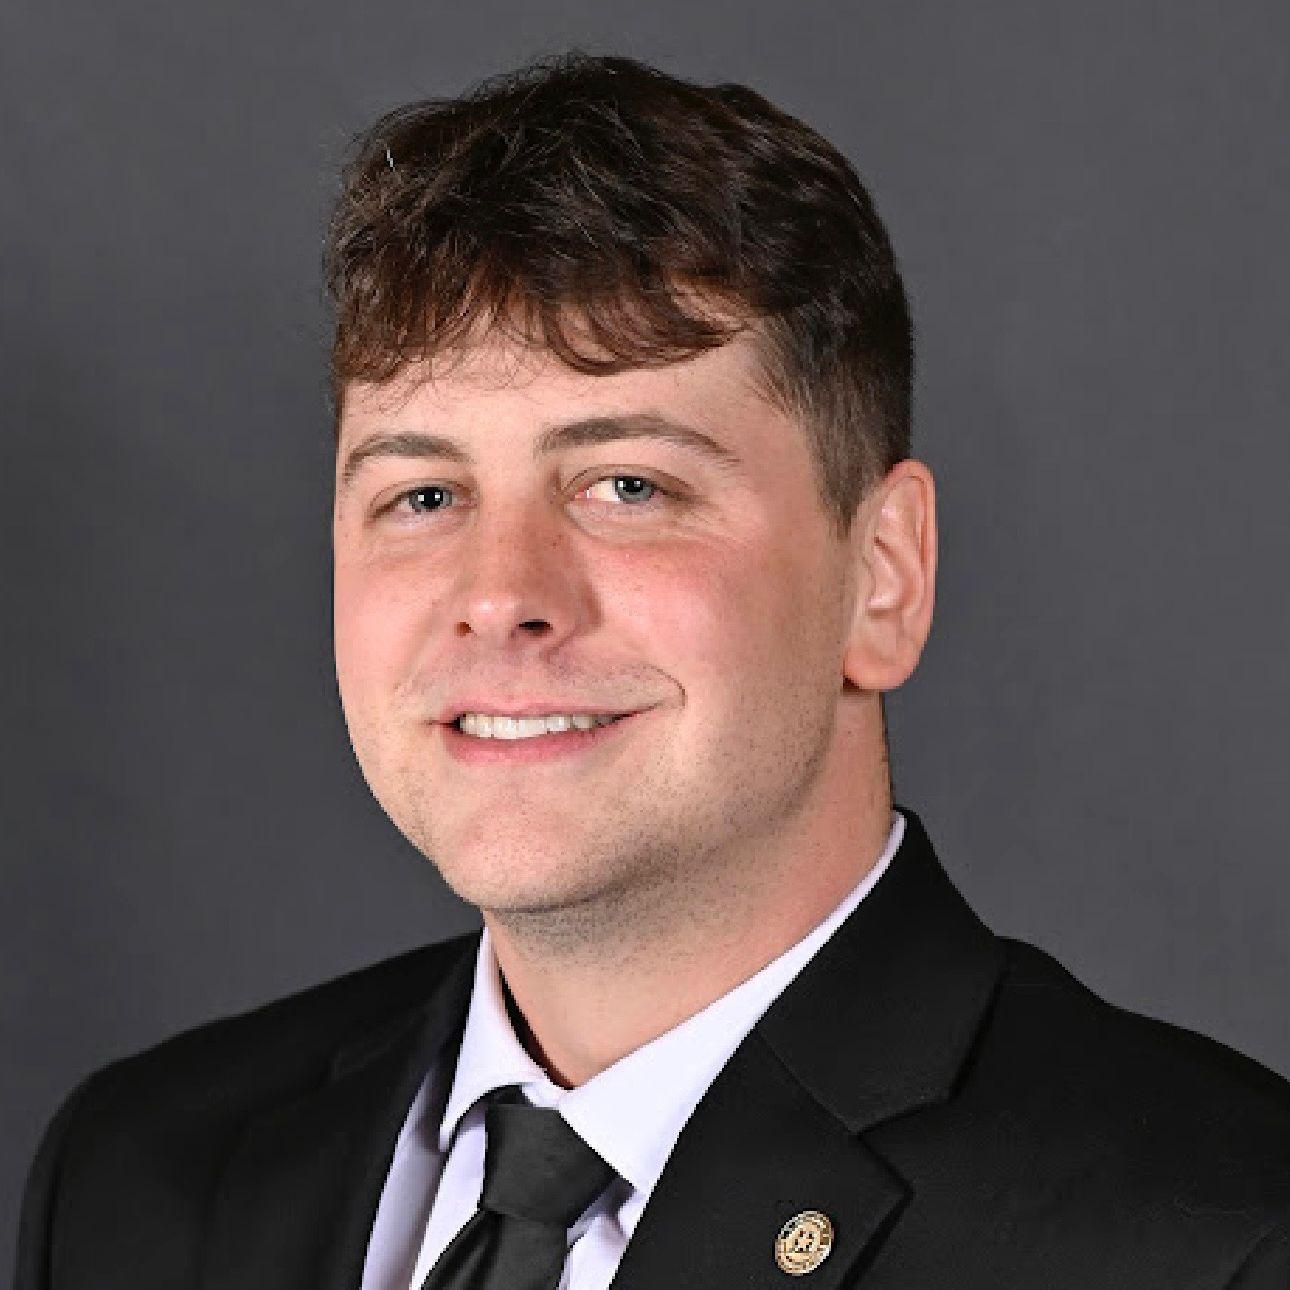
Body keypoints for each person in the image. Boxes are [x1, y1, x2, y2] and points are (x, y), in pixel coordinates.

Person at [14, 51, 1290, 1290]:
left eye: (628, 485)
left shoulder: (1216, 1239)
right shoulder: (138, 1181)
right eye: (425, 494)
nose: (500, 595)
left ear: (883, 575)